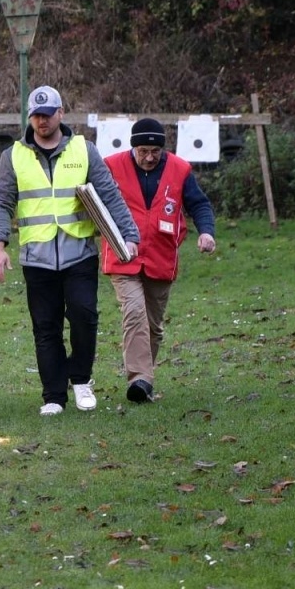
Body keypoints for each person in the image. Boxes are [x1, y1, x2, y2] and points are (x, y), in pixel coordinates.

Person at [0, 85, 139, 416]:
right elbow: (1, 203)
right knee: (46, 327)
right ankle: (53, 396)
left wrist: (129, 234)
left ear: (61, 114)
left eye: (47, 114)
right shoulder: (12, 156)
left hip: (79, 253)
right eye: (36, 115)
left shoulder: (84, 150)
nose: (42, 121)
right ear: (30, 117)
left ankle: (81, 379)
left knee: (85, 317)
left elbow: (110, 193)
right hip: (37, 257)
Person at [102, 117, 217, 403]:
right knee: (134, 313)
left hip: (161, 257)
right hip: (123, 255)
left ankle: (143, 380)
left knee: (153, 325)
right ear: (133, 148)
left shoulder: (180, 170)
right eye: (143, 151)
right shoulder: (110, 166)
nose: (150, 157)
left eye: (156, 152)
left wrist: (207, 232)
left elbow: (199, 204)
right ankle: (139, 378)